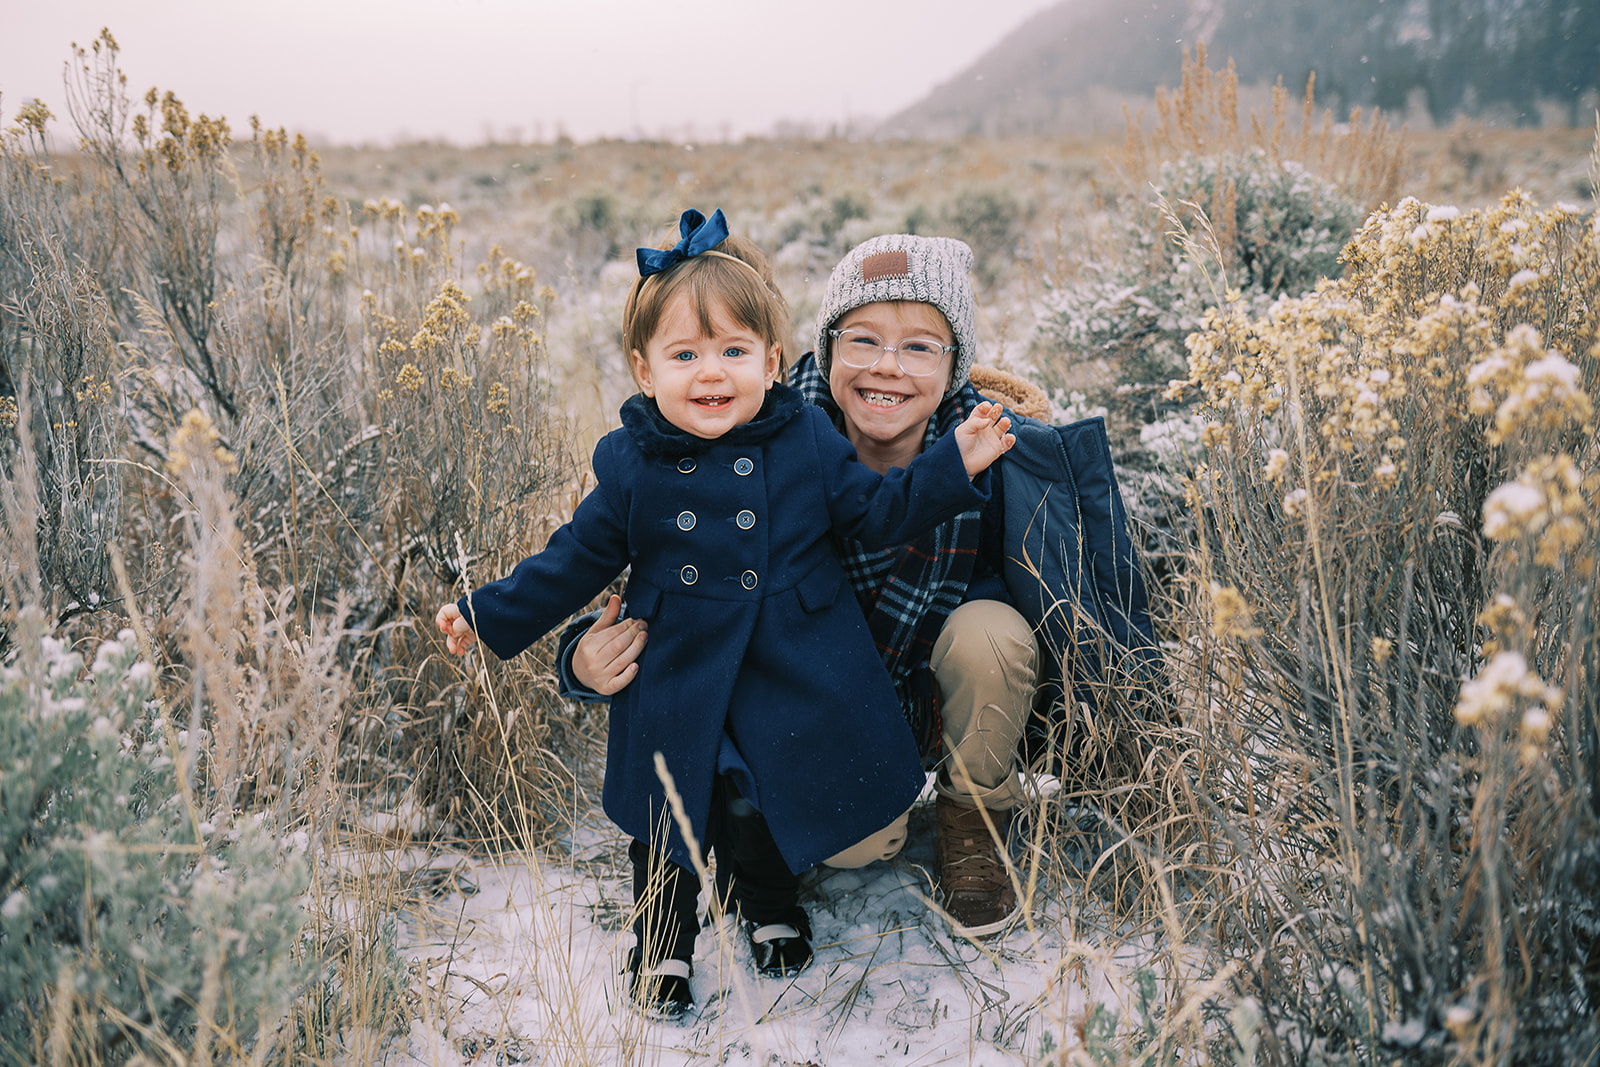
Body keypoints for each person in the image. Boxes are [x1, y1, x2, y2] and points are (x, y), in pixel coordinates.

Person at [436, 211, 1015, 1020]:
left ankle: (769, 903)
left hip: (789, 660)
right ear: (644, 371)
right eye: (685, 355)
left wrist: (955, 465)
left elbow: (882, 512)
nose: (711, 374)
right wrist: (487, 613)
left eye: (734, 352)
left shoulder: (805, 437)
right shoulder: (635, 462)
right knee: (670, 810)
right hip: (676, 663)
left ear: (774, 362)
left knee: (757, 794)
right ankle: (663, 942)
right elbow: (573, 559)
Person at [564, 234, 1090, 942]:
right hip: (814, 717)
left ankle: (974, 817)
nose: (886, 369)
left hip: (928, 696)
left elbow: (1062, 602)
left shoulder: (986, 447)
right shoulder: (763, 436)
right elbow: (662, 585)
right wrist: (579, 660)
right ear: (824, 348)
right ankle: (777, 830)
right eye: (863, 340)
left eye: (920, 348)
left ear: (953, 363)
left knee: (992, 632)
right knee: (859, 845)